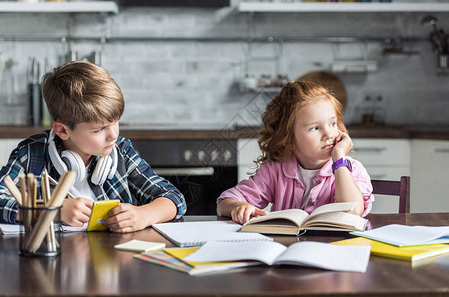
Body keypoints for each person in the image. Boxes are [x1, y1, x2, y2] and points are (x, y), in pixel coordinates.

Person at [0, 60, 186, 232]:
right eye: (99, 129)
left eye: (115, 122)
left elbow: (174, 198)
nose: (113, 135)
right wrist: (51, 211)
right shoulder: (30, 154)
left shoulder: (121, 151)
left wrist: (143, 215)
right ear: (62, 131)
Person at [217, 80, 373, 225]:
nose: (329, 134)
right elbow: (224, 203)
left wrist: (339, 159)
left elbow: (352, 213)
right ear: (288, 138)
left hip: (332, 248)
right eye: (315, 128)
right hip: (286, 247)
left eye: (332, 123)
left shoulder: (350, 169)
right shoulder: (275, 170)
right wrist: (239, 206)